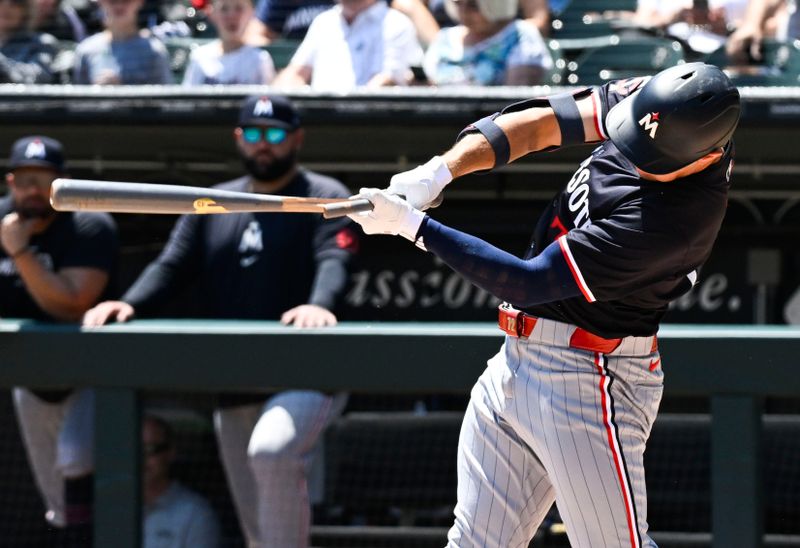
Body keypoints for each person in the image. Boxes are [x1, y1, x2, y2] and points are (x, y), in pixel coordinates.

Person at [347, 63, 740, 546]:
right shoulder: (652, 105)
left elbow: (529, 281)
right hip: (516, 360)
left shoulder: (674, 223)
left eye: (652, 158)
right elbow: (541, 124)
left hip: (592, 375)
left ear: (706, 156)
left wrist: (413, 227)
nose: (634, 156)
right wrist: (440, 170)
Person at [83, 94, 358, 548]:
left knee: (271, 451)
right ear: (238, 139)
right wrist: (129, 304)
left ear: (297, 139)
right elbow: (172, 265)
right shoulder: (214, 202)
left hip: (308, 370)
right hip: (235, 378)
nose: (263, 145)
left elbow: (334, 258)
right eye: (253, 134)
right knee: (255, 527)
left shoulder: (323, 196)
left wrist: (319, 303)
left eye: (274, 135)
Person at [1, 136, 118, 542]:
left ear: (64, 183)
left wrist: (20, 254)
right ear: (10, 181)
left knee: (77, 462)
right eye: (26, 180)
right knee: (55, 497)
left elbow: (70, 305)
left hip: (90, 372)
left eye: (45, 180)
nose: (34, 190)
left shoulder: (87, 222)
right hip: (29, 377)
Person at [272, 0, 423, 91]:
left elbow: (386, 82)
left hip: (372, 127)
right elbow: (295, 74)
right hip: (319, 124)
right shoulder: (323, 22)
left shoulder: (396, 24)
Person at [423, 0, 552, 86]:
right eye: (458, 3)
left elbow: (514, 105)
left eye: (473, 5)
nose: (463, 12)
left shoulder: (520, 34)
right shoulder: (444, 37)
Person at [142, 415, 221, 548]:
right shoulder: (112, 507)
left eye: (150, 449)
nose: (141, 458)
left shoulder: (195, 513)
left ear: (170, 453)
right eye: (133, 449)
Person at [72, 0, 172, 85]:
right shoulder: (86, 50)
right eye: (113, 0)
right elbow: (75, 104)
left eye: (126, 0)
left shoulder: (155, 52)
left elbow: (166, 103)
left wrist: (123, 92)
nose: (119, 5)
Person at [183, 0, 276, 85]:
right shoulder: (200, 57)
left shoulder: (260, 60)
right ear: (212, 13)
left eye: (239, 8)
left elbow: (266, 100)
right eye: (224, 9)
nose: (231, 16)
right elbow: (187, 99)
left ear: (252, 13)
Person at [0, 0, 60, 83]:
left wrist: (2, 64)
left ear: (27, 10)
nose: (6, 7)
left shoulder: (42, 43)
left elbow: (37, 77)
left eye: (15, 2)